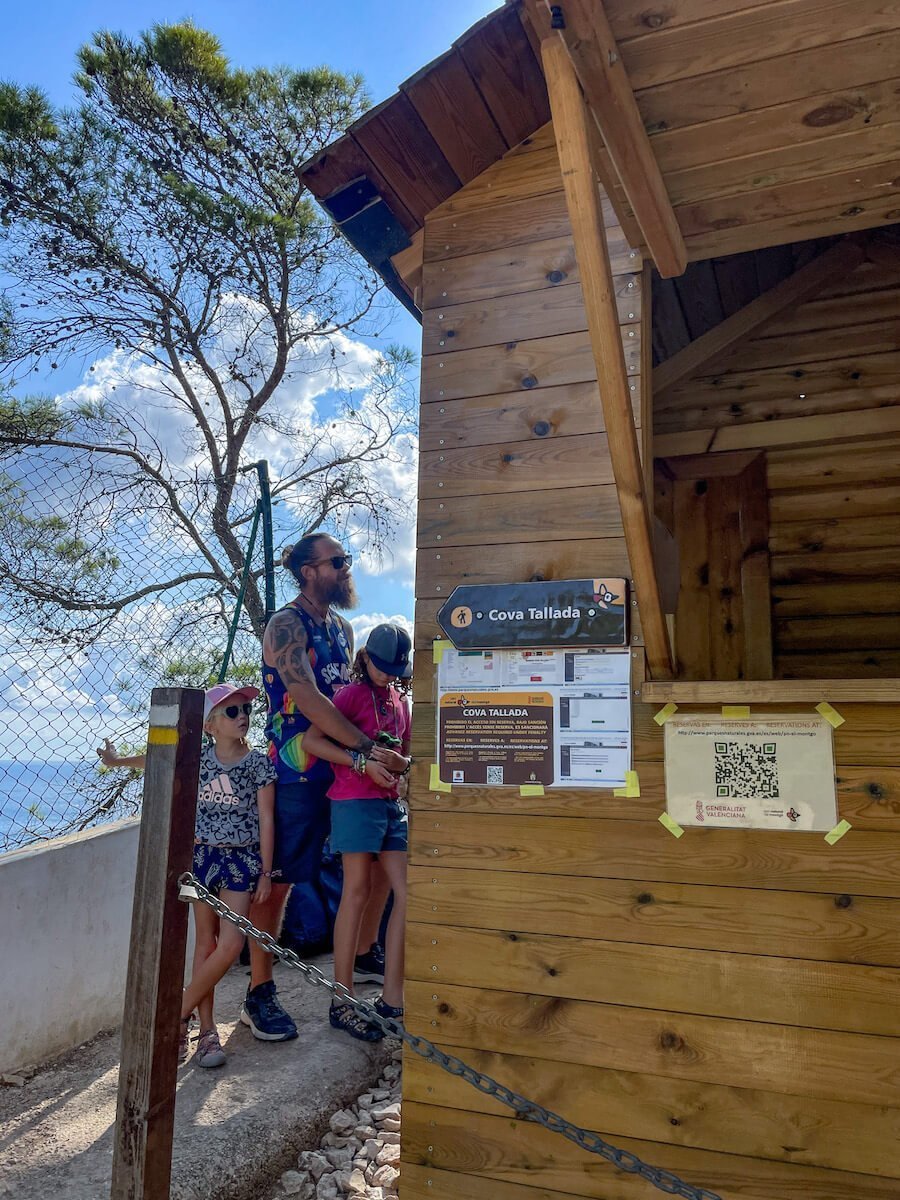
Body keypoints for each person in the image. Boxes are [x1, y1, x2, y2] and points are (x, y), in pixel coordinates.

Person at [245, 532, 408, 1040]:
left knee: (378, 866)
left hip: (347, 773)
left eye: (347, 560)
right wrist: (364, 749)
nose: (345, 568)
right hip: (296, 771)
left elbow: (351, 694)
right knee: (281, 880)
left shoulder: (340, 627)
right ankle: (260, 990)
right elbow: (307, 695)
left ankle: (363, 954)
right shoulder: (285, 625)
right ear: (308, 570)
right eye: (337, 561)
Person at [301, 624, 411, 1040]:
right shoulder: (349, 695)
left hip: (389, 805)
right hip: (353, 800)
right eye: (380, 666)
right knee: (358, 889)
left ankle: (393, 998)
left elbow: (405, 753)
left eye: (393, 669)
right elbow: (314, 741)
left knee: (405, 891)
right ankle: (341, 999)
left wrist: (402, 766)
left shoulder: (400, 702)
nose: (386, 674)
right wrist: (361, 763)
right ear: (366, 659)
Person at [179, 682, 277, 1067]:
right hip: (203, 858)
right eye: (232, 712)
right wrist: (118, 763)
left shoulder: (257, 764)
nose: (243, 718)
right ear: (211, 725)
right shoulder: (198, 760)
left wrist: (266, 872)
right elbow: (158, 757)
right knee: (205, 943)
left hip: (241, 860)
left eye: (246, 711)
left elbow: (267, 818)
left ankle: (176, 1014)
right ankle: (205, 1034)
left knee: (231, 943)